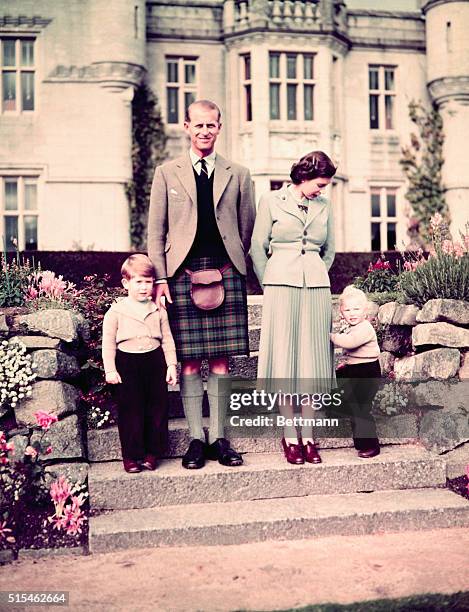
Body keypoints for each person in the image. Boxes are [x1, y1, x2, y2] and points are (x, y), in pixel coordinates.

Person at [148, 99, 256, 469]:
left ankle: (220, 438)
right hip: (182, 274)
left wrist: (236, 266)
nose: (205, 131)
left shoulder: (239, 173)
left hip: (225, 270)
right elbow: (156, 230)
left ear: (219, 127)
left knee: (222, 362)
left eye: (211, 125)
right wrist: (161, 277)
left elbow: (246, 227)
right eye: (198, 125)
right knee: (190, 363)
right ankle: (196, 439)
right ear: (187, 127)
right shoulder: (166, 172)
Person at [250, 151, 337, 465]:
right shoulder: (272, 201)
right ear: (304, 175)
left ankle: (309, 435)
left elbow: (329, 251)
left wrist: (315, 272)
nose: (321, 190)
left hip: (315, 287)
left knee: (312, 359)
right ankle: (289, 434)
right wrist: (270, 282)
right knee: (286, 358)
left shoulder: (325, 207)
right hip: (280, 286)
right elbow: (257, 248)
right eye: (319, 184)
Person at [102, 254, 178, 473]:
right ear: (126, 283)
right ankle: (131, 456)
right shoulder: (116, 312)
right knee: (131, 410)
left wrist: (171, 365)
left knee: (156, 409)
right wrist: (110, 369)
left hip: (154, 362)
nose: (144, 287)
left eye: (148, 282)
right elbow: (108, 343)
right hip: (127, 363)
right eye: (139, 282)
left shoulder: (158, 310)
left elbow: (167, 339)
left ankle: (151, 453)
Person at [330, 286, 381, 458]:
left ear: (365, 311)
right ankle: (360, 442)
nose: (352, 313)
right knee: (353, 406)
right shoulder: (352, 326)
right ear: (341, 312)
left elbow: (351, 342)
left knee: (361, 409)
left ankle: (371, 445)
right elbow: (351, 354)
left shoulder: (365, 327)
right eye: (348, 309)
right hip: (355, 369)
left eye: (357, 309)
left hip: (367, 372)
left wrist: (331, 337)